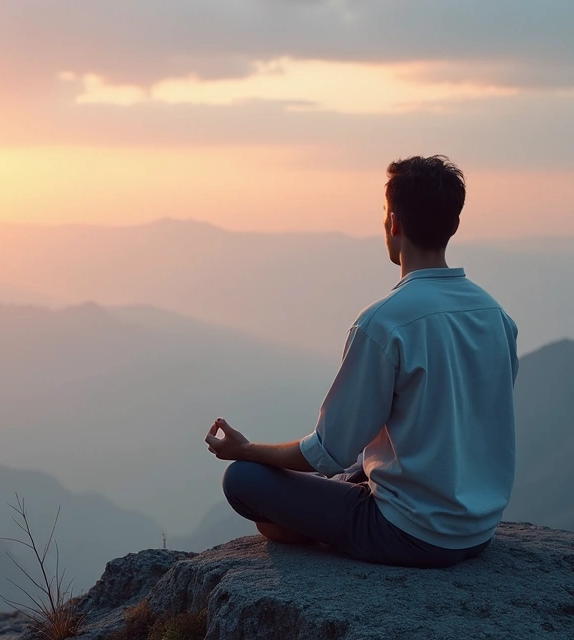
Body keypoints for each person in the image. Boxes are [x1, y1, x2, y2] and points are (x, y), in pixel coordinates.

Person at [206, 155, 518, 568]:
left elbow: (328, 451)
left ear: (394, 224)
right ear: (454, 225)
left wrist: (247, 450)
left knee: (243, 481)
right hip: (477, 530)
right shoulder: (495, 316)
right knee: (357, 467)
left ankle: (319, 527)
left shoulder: (384, 322)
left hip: (409, 532)